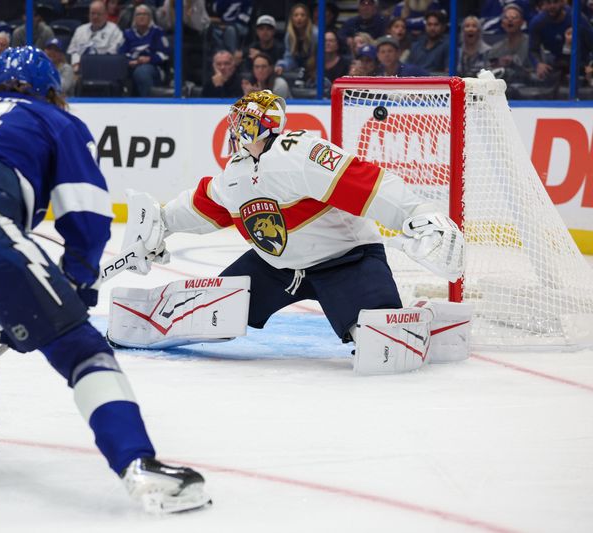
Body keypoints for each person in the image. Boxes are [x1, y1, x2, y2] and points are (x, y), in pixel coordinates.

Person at [0, 46, 210, 514]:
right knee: (83, 349)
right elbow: (87, 213)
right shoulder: (56, 120)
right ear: (52, 90)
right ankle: (140, 466)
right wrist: (76, 289)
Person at [115, 90, 466, 374]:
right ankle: (149, 319)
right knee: (209, 312)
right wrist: (160, 224)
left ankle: (430, 322)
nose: (237, 125)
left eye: (246, 119)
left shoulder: (302, 152)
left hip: (346, 260)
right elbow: (203, 204)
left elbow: (363, 182)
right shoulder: (235, 172)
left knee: (384, 346)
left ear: (265, 125)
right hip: (275, 268)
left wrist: (416, 213)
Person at [118, 4, 170, 97]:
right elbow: (121, 53)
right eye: (138, 14)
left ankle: (148, 102)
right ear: (134, 18)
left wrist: (149, 59)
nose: (142, 17)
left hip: (153, 67)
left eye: (145, 14)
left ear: (150, 17)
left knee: (142, 72)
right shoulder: (127, 34)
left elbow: (164, 54)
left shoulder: (157, 32)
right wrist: (130, 61)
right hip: (131, 66)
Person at [67, 0, 125, 74]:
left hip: (103, 69)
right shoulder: (80, 30)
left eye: (99, 14)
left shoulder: (114, 30)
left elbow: (113, 55)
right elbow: (71, 51)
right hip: (78, 68)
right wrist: (76, 63)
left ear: (106, 15)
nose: (95, 17)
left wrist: (92, 64)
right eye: (92, 13)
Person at [487, 4, 531, 84]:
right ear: (502, 24)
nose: (510, 20)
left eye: (514, 17)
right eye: (506, 18)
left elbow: (540, 73)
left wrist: (516, 64)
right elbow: (488, 73)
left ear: (522, 22)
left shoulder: (532, 44)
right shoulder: (496, 49)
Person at [275, 3, 318, 75]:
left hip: (315, 69)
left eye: (302, 15)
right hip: (297, 69)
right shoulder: (289, 36)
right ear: (291, 18)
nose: (299, 18)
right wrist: (282, 66)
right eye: (296, 15)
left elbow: (319, 56)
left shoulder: (315, 34)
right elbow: (289, 57)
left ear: (307, 18)